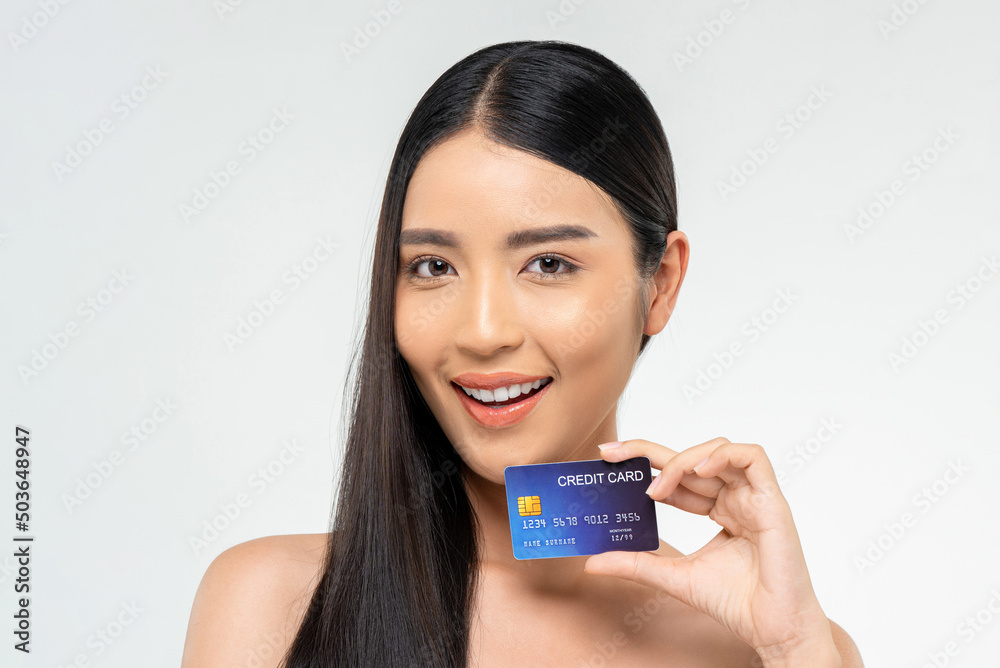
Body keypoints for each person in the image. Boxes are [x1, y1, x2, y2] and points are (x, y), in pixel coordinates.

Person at [181, 39, 864, 667]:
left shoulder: (768, 643)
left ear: (659, 284)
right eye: (433, 267)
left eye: (547, 263)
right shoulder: (272, 605)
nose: (482, 331)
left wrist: (795, 648)